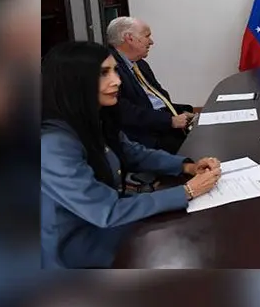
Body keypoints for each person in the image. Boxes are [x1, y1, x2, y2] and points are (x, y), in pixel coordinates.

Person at [41, 42, 222, 268]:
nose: (117, 81)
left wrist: (188, 167)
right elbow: (106, 211)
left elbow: (131, 152)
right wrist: (188, 191)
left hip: (110, 227)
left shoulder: (91, 118)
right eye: (103, 73)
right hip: (77, 251)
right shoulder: (53, 144)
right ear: (73, 82)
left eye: (115, 70)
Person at [107, 16, 195, 154]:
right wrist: (169, 121)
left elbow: (157, 98)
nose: (151, 42)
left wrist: (180, 112)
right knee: (197, 149)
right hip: (144, 136)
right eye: (147, 36)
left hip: (160, 123)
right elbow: (124, 111)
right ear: (129, 38)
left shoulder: (139, 64)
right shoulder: (111, 67)